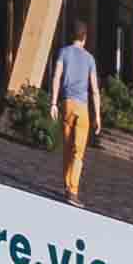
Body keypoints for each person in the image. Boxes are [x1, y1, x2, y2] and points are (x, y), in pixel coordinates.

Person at [52, 32, 103, 207]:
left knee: (67, 147)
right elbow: (95, 89)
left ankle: (67, 185)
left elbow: (57, 77)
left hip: (66, 103)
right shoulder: (90, 59)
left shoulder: (64, 52)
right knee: (78, 152)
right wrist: (97, 115)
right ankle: (73, 191)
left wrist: (53, 102)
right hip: (82, 107)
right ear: (85, 37)